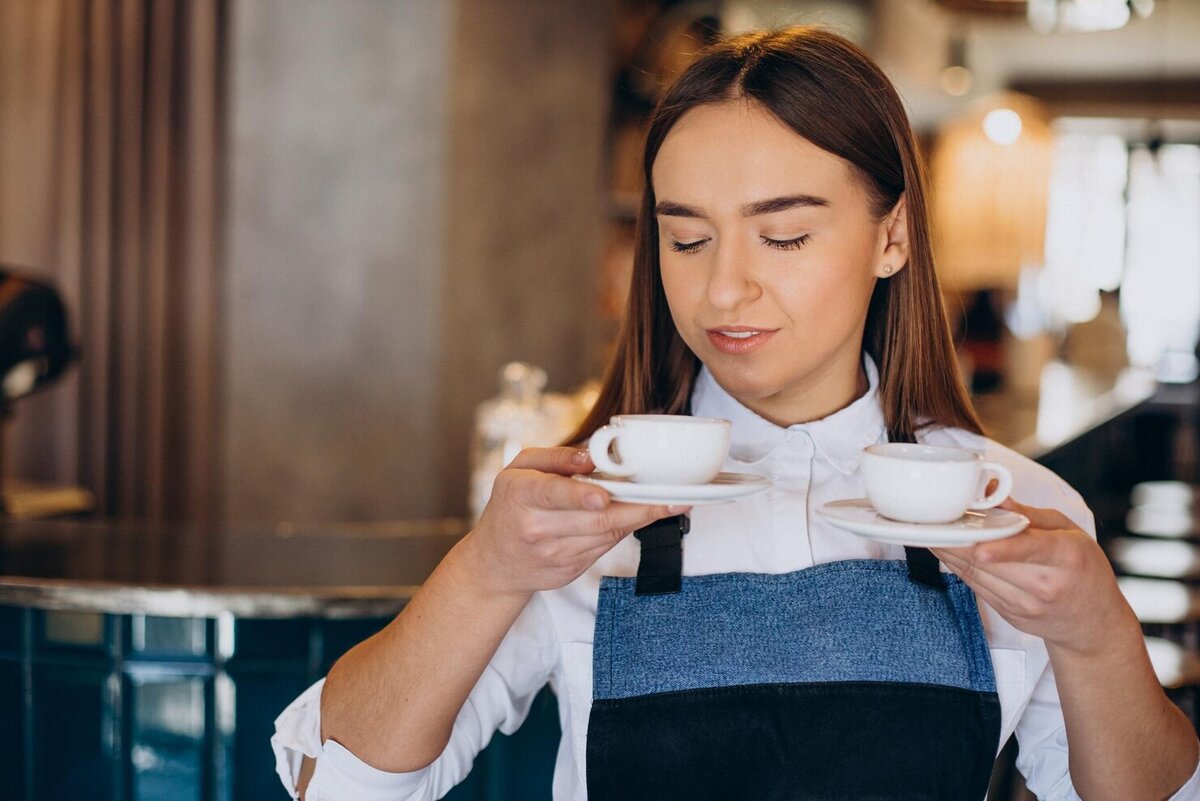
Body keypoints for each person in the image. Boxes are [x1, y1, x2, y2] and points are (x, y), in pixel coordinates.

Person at [272, 27, 1200, 801]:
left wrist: (1096, 633)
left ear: (892, 235)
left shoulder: (1017, 511)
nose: (724, 287)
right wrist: (483, 571)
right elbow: (334, 785)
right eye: (686, 237)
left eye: (784, 234)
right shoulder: (576, 512)